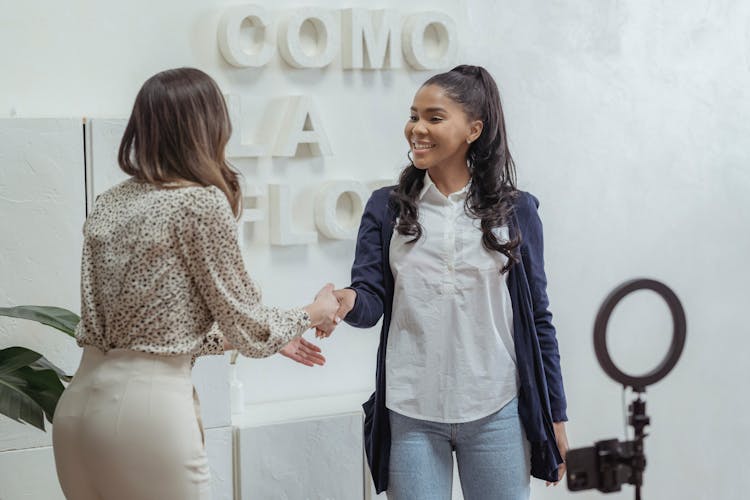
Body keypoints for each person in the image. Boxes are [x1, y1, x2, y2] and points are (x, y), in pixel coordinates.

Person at [51, 67, 340, 500]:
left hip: (78, 411)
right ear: (210, 126)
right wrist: (313, 312)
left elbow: (153, 333)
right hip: (147, 414)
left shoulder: (111, 202)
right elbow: (250, 328)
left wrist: (262, 336)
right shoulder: (199, 202)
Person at [320, 65, 569, 499]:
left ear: (473, 129)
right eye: (413, 115)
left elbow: (539, 320)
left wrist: (556, 419)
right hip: (412, 410)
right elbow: (371, 300)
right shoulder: (387, 208)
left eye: (434, 118)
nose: (417, 128)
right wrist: (345, 300)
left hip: (497, 409)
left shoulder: (517, 211)